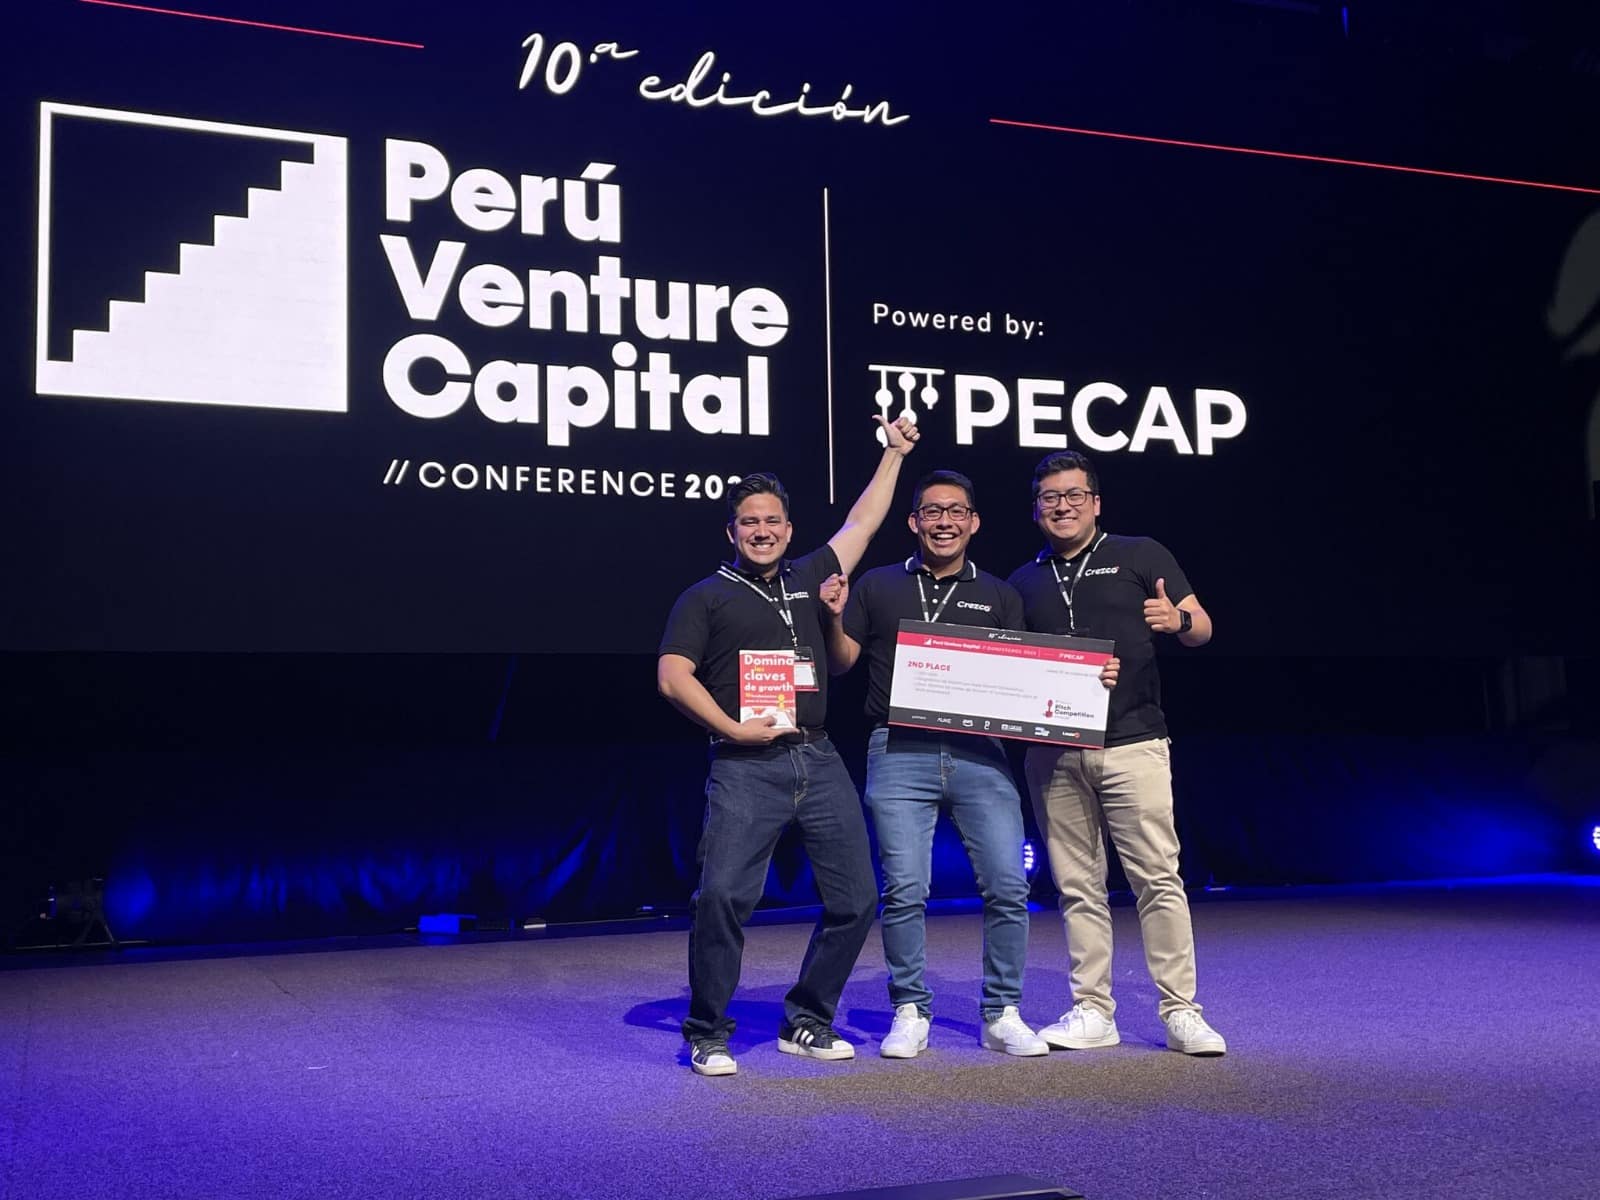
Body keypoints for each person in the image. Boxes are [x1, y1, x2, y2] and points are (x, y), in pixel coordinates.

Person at [657, 415, 919, 1077]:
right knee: (722, 898)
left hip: (819, 757)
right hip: (746, 764)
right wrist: (731, 728)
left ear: (789, 529)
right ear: (732, 532)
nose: (762, 530)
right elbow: (672, 676)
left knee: (857, 899)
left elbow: (862, 523)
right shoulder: (705, 597)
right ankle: (707, 1032)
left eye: (772, 520)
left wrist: (893, 454)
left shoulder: (811, 578)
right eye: (749, 522)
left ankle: (807, 1019)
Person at [824, 469, 1117, 1057]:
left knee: (1008, 884)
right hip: (899, 749)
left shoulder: (1001, 594)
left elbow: (1031, 675)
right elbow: (841, 662)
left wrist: (1089, 679)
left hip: (981, 755)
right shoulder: (879, 585)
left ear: (974, 522)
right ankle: (910, 1010)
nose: (944, 522)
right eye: (932, 512)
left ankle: (1001, 1013)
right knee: (906, 888)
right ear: (914, 522)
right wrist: (832, 616)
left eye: (956, 511)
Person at [1006, 451, 1227, 1056]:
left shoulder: (1140, 554)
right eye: (1050, 498)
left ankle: (1181, 1012)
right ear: (1036, 509)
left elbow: (1203, 627)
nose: (1063, 507)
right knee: (1078, 887)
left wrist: (1177, 619)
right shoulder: (1022, 581)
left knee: (1158, 879)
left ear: (1096, 503)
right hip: (1054, 754)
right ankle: (1093, 1011)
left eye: (1074, 495)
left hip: (1134, 743)